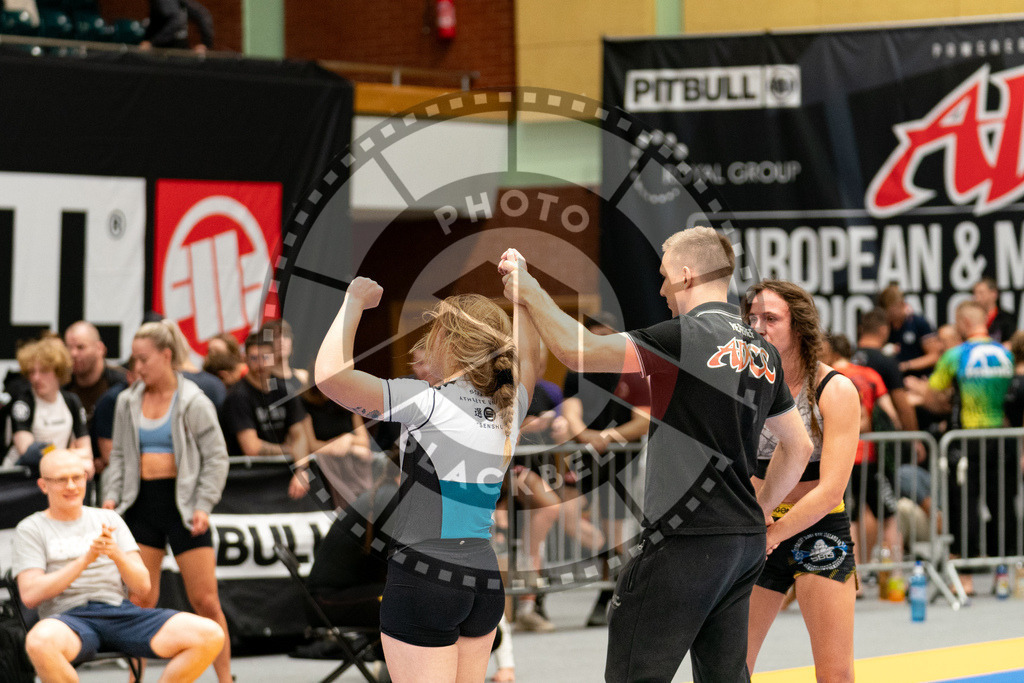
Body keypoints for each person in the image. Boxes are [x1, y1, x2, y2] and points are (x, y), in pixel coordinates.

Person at [498, 227, 813, 683]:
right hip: (740, 542)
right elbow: (798, 445)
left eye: (665, 276)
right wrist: (759, 511)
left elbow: (577, 351)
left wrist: (530, 289)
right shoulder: (760, 348)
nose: (662, 288)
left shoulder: (685, 336)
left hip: (686, 538)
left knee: (635, 674)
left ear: (686, 276)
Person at [315, 279, 539, 683]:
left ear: (449, 343)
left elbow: (330, 377)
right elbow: (531, 358)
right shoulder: (512, 403)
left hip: (425, 578)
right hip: (483, 577)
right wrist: (523, 297)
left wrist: (353, 302)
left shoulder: (427, 400)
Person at [13, 449, 223, 683]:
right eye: (62, 479)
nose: (71, 486)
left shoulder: (109, 519)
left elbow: (143, 586)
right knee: (38, 642)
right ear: (43, 485)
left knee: (210, 634)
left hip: (119, 612)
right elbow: (30, 595)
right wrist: (85, 560)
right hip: (68, 618)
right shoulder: (31, 528)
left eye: (77, 477)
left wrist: (116, 554)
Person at [101, 321, 233, 683]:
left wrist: (204, 504)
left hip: (185, 510)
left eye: (144, 359)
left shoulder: (193, 401)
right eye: (134, 360)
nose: (138, 367)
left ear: (166, 355)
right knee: (140, 601)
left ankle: (226, 679)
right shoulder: (127, 400)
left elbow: (217, 457)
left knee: (206, 601)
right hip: (141, 507)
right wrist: (111, 496)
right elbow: (120, 459)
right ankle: (135, 679)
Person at [743, 282, 860, 682]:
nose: (758, 327)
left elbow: (830, 491)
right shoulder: (743, 389)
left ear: (800, 327)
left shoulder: (834, 389)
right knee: (730, 665)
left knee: (834, 673)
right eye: (752, 318)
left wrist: (773, 533)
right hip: (759, 523)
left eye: (771, 319)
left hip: (816, 529)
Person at [552, 314, 651, 628]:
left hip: (620, 462)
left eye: (603, 337)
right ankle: (617, 575)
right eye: (591, 338)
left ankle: (614, 595)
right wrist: (584, 435)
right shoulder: (577, 371)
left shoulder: (633, 372)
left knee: (614, 533)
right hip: (584, 458)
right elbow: (572, 410)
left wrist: (607, 437)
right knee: (564, 515)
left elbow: (643, 420)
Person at [920, 301, 1017, 595]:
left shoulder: (957, 355)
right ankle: (1006, 571)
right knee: (1003, 502)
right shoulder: (1006, 354)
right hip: (1003, 436)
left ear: (963, 323)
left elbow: (930, 397)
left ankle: (967, 577)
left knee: (964, 505)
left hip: (966, 440)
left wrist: (947, 402)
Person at [826, 332, 903, 574]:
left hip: (841, 458)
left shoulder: (828, 377)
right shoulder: (871, 376)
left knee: (849, 518)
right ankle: (898, 574)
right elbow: (891, 415)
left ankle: (853, 578)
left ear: (831, 352)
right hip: (871, 459)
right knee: (889, 515)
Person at [219, 332, 310, 498]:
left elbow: (300, 436)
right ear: (244, 358)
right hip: (246, 483)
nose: (260, 364)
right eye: (254, 358)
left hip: (282, 479)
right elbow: (252, 448)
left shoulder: (284, 390)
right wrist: (290, 450)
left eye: (265, 358)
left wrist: (302, 470)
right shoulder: (238, 396)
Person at [7, 337, 92, 478]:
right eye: (32, 372)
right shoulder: (24, 402)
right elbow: (29, 453)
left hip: (55, 473)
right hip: (23, 477)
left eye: (44, 371)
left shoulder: (71, 401)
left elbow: (87, 451)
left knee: (88, 467)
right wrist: (69, 453)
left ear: (59, 372)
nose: (36, 378)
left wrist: (55, 452)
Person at [63, 321, 128, 472]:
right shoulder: (62, 388)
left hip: (116, 469)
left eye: (80, 347)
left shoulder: (121, 386)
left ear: (100, 348)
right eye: (69, 347)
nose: (73, 354)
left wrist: (107, 461)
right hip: (73, 469)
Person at [877, 284, 943, 377]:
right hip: (892, 379)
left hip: (918, 377)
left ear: (902, 304)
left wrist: (906, 365)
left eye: (896, 308)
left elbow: (934, 356)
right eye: (889, 310)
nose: (892, 314)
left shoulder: (918, 322)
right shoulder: (883, 327)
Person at [140, 0, 214, 52]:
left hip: (167, 51)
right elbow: (203, 15)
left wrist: (152, 43)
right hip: (179, 49)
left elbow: (176, 20)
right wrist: (206, 43)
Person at [972, 277, 1016, 344]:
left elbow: (1011, 343)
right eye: (975, 293)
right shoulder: (972, 319)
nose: (977, 297)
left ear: (994, 294)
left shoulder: (1007, 319)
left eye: (981, 293)